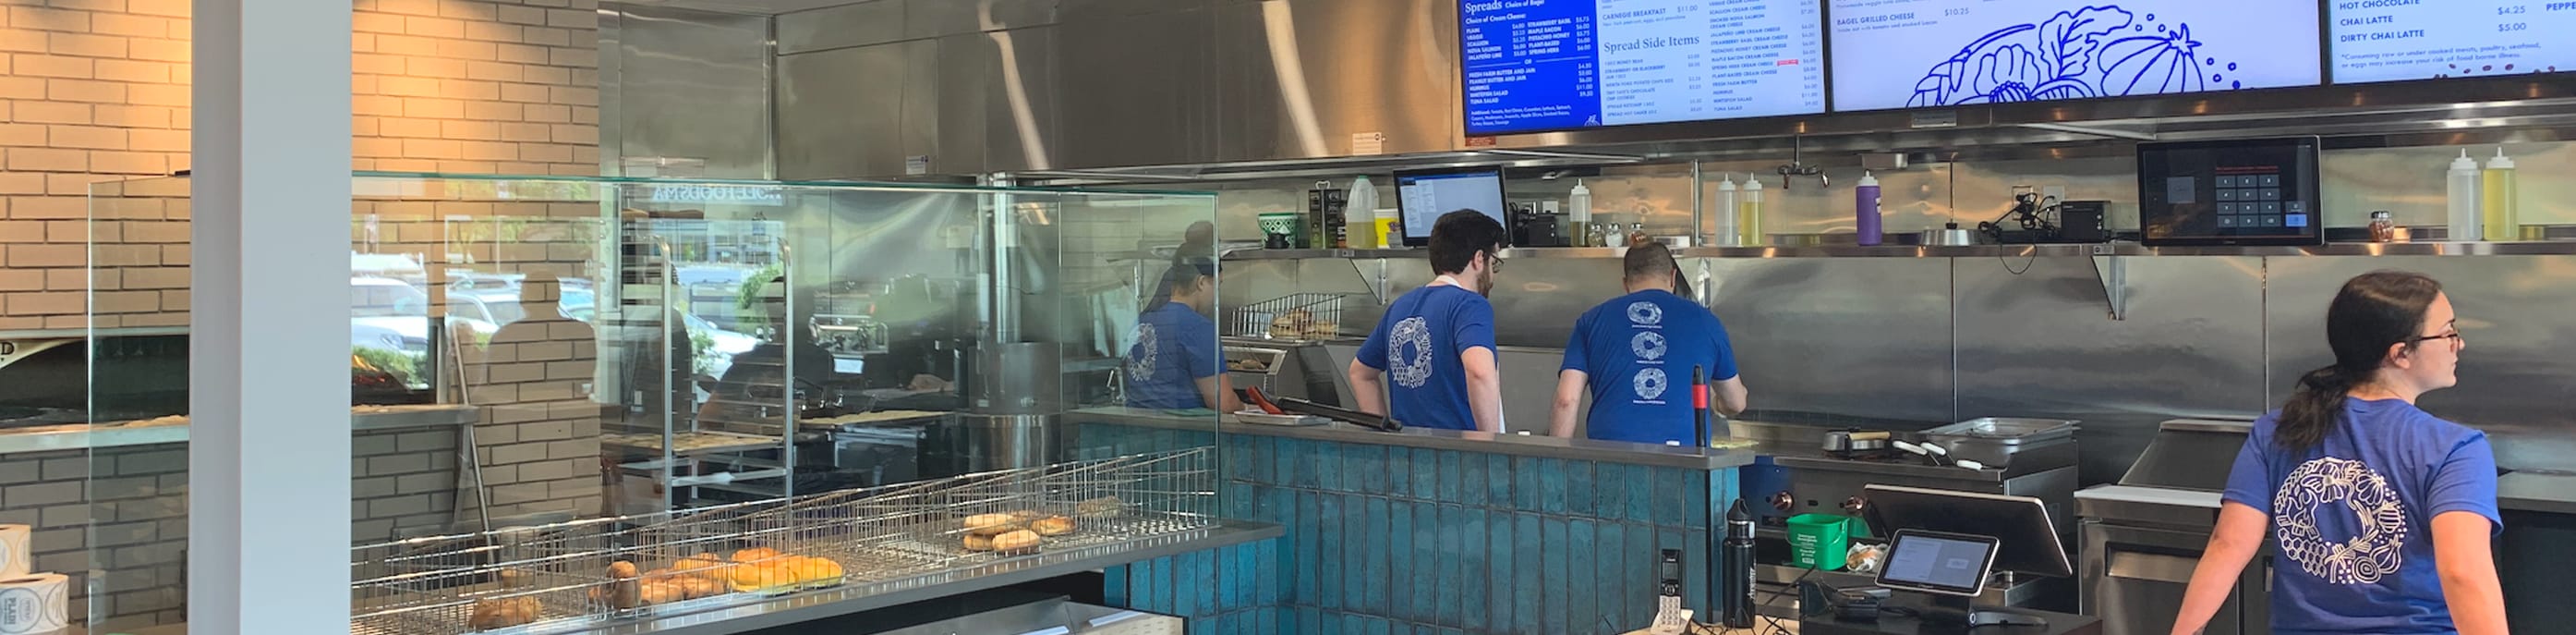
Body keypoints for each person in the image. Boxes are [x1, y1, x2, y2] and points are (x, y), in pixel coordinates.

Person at [2170, 271, 2506, 635]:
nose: (2459, 344)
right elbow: (2462, 572)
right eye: (2448, 332)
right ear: (2400, 354)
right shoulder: (2455, 448)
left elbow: (2228, 545)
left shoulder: (2277, 429)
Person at [1546, 242, 1747, 443]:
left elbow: (1566, 400)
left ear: (1626, 283)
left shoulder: (1592, 320)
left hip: (1610, 458)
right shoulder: (1706, 321)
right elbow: (1736, 403)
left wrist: (1555, 461)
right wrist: (1715, 403)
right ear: (1673, 277)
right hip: (1687, 462)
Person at [1348, 210, 1506, 433]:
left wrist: (1384, 437)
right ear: (1479, 259)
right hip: (1460, 459)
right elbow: (1479, 372)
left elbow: (1360, 373)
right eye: (1494, 263)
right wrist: (1490, 447)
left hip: (1410, 456)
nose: (1493, 274)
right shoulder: (1470, 305)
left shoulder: (1400, 307)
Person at [1124, 259, 1240, 412]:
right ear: (1201, 282)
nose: (1216, 296)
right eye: (1217, 286)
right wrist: (1246, 408)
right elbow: (1223, 403)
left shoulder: (1141, 321)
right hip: (1181, 430)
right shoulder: (1198, 327)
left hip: (1137, 425)